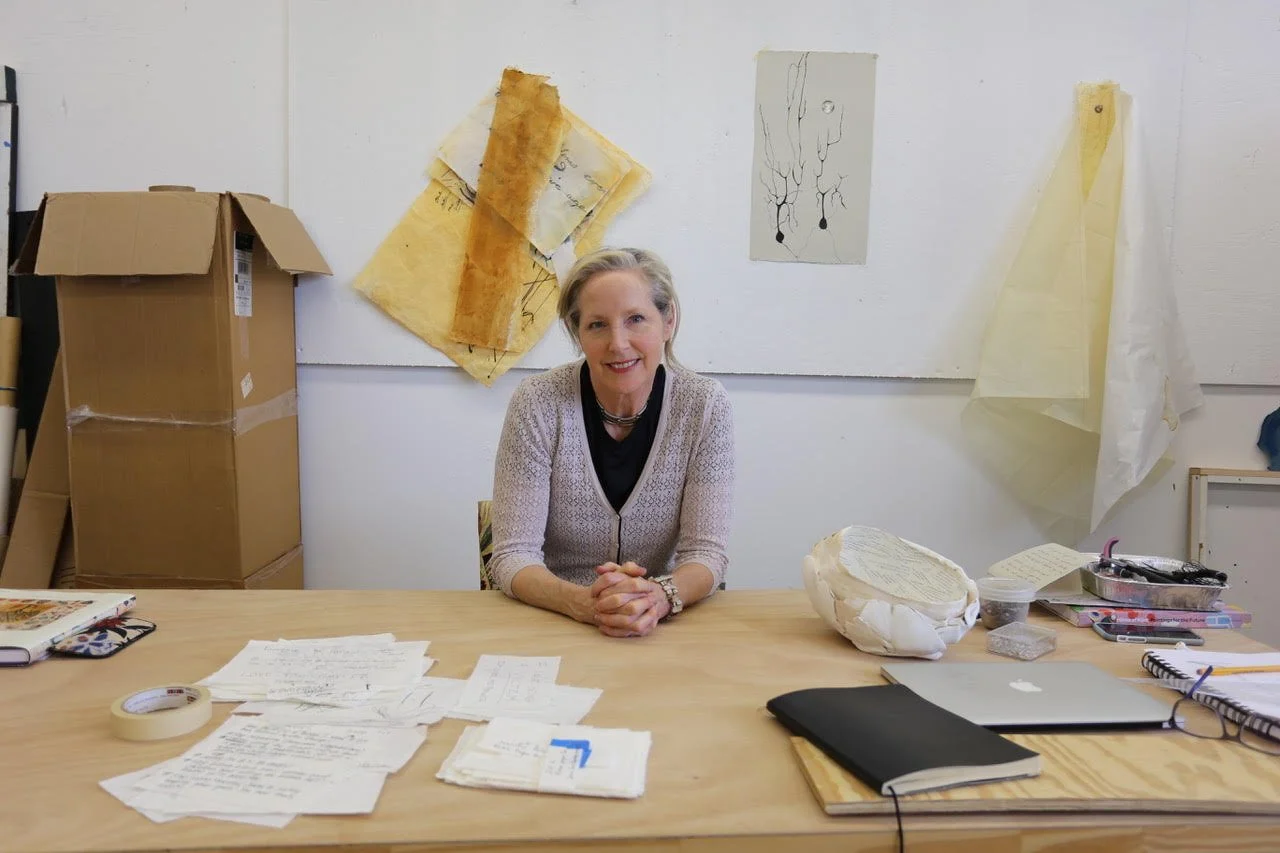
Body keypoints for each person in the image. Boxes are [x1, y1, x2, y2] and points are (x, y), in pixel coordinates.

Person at [488, 247, 735, 637]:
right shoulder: (538, 401)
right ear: (577, 333)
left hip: (664, 625)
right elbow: (511, 556)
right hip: (554, 618)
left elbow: (707, 554)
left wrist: (658, 596)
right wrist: (581, 602)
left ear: (667, 321)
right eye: (597, 325)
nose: (618, 344)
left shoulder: (704, 405)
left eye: (636, 319)